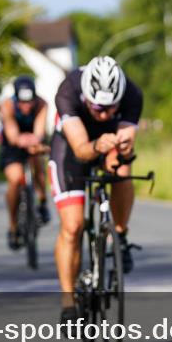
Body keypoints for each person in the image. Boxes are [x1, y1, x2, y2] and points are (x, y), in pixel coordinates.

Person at [50, 56, 142, 325]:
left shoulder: (132, 94)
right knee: (73, 225)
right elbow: (80, 150)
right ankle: (68, 301)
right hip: (71, 146)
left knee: (123, 167)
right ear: (86, 96)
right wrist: (97, 144)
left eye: (110, 108)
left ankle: (120, 236)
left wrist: (121, 147)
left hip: (108, 142)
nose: (103, 114)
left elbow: (127, 143)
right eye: (97, 107)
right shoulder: (68, 91)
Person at [0, 74, 50, 250]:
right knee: (15, 178)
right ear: (15, 99)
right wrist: (22, 140)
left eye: (30, 102)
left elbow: (39, 130)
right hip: (13, 145)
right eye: (22, 102)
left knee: (38, 165)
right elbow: (12, 134)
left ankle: (42, 201)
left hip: (33, 143)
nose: (26, 106)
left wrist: (35, 141)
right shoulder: (7, 105)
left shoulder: (42, 104)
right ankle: (13, 226)